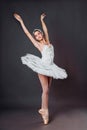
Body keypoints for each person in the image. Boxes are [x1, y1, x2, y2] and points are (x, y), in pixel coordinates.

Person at [14, 13, 68, 125]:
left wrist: (41, 20)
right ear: (36, 38)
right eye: (36, 35)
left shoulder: (48, 42)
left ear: (42, 34)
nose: (38, 36)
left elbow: (46, 30)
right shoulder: (38, 45)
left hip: (51, 67)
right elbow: (27, 33)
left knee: (47, 90)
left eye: (39, 34)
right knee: (45, 90)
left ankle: (44, 112)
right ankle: (45, 111)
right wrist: (21, 21)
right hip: (43, 66)